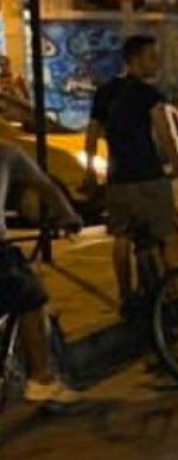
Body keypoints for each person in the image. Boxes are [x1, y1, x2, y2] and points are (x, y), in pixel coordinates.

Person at [84, 35, 178, 310]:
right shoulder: (148, 93)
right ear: (135, 59)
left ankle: (125, 295)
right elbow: (163, 131)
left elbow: (92, 135)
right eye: (152, 57)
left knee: (121, 237)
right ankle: (177, 293)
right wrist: (177, 163)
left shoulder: (105, 93)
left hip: (119, 180)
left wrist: (91, 173)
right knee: (169, 234)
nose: (156, 62)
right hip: (149, 176)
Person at [0, 141, 83, 403]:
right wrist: (69, 217)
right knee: (31, 297)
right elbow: (46, 188)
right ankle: (41, 379)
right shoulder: (7, 153)